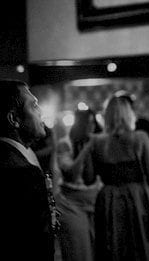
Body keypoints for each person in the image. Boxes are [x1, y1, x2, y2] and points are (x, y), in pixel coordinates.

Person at [68, 96, 149, 260]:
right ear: (129, 114)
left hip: (108, 199)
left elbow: (88, 178)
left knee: (112, 247)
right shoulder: (140, 137)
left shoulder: (97, 141)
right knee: (140, 245)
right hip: (137, 197)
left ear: (107, 116)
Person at [0, 79, 55, 260]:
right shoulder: (23, 172)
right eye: (34, 105)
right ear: (14, 119)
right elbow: (37, 246)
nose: (41, 112)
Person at [56, 108, 104, 261]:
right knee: (79, 252)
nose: (91, 127)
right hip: (72, 203)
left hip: (95, 201)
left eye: (93, 123)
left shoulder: (98, 141)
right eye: (88, 123)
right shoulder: (65, 143)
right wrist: (86, 149)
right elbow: (71, 174)